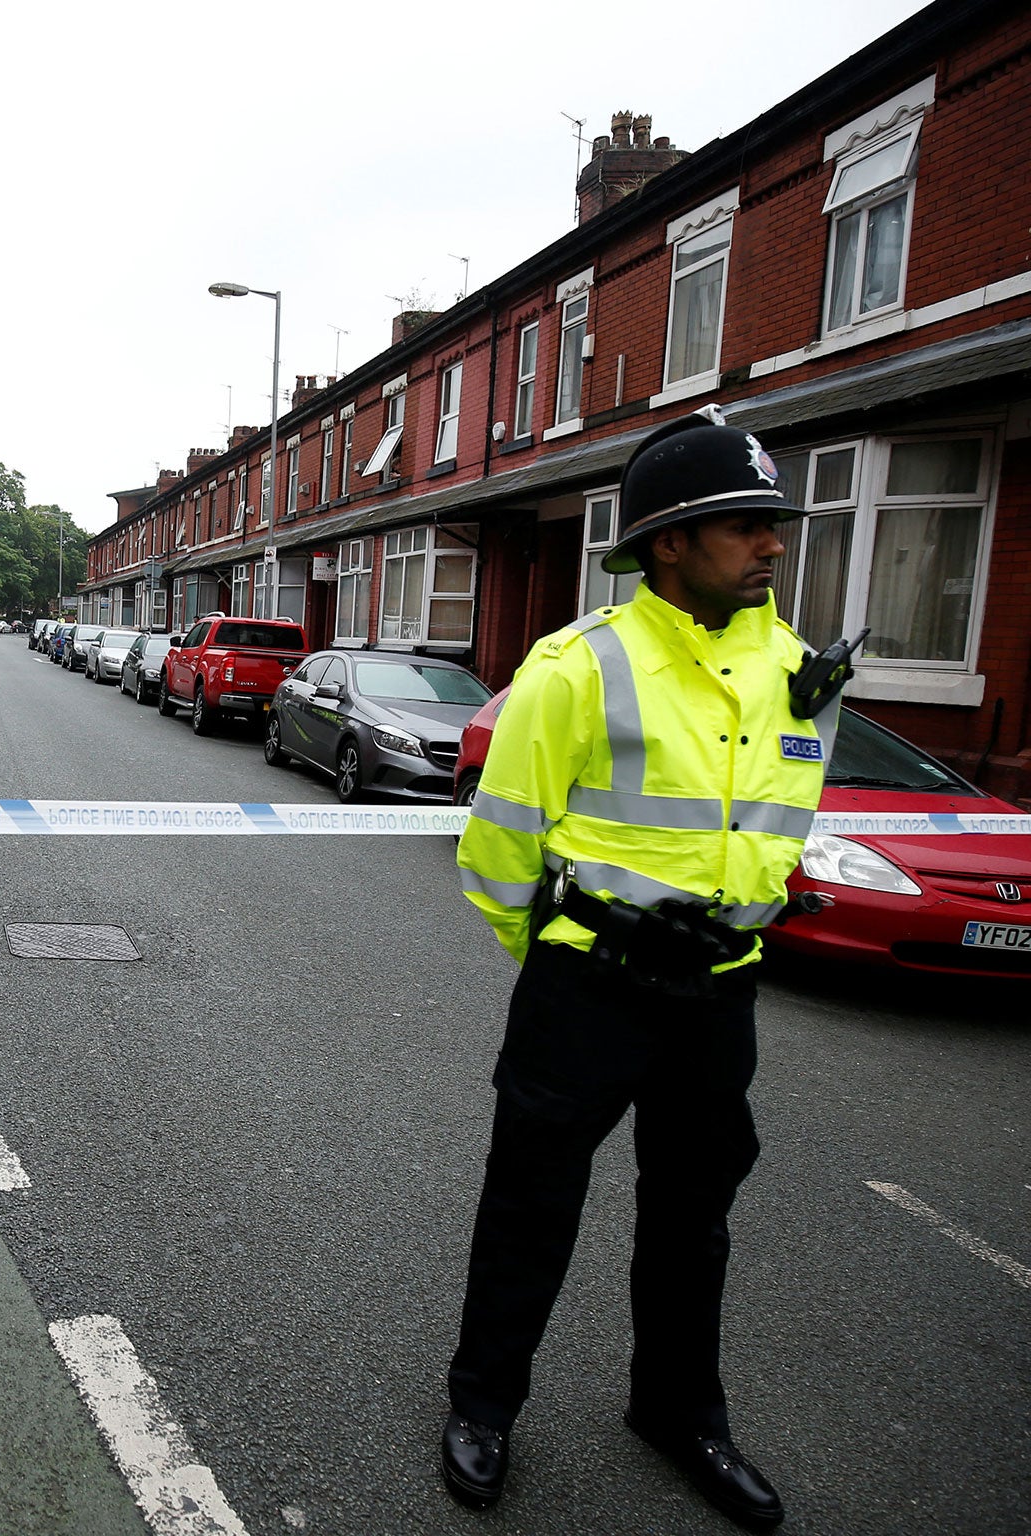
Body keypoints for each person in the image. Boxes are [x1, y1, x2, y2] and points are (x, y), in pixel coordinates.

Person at [444, 409, 833, 1532]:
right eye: (744, 526)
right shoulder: (576, 666)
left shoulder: (797, 670)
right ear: (666, 541)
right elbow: (497, 846)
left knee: (692, 1213)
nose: (770, 544)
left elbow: (775, 825)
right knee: (530, 1204)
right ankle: (482, 1405)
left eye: (774, 525)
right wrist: (579, 949)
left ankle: (677, 1414)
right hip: (587, 989)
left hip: (719, 995)